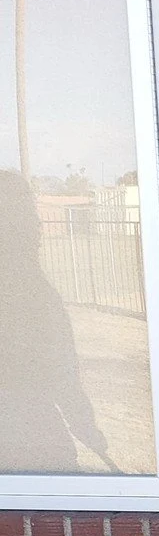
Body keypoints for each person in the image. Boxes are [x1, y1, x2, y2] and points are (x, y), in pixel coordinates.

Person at [0, 168, 110, 472]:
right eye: (30, 211)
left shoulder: (33, 289)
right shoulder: (33, 291)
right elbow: (62, 372)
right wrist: (86, 427)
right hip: (32, 435)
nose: (38, 223)